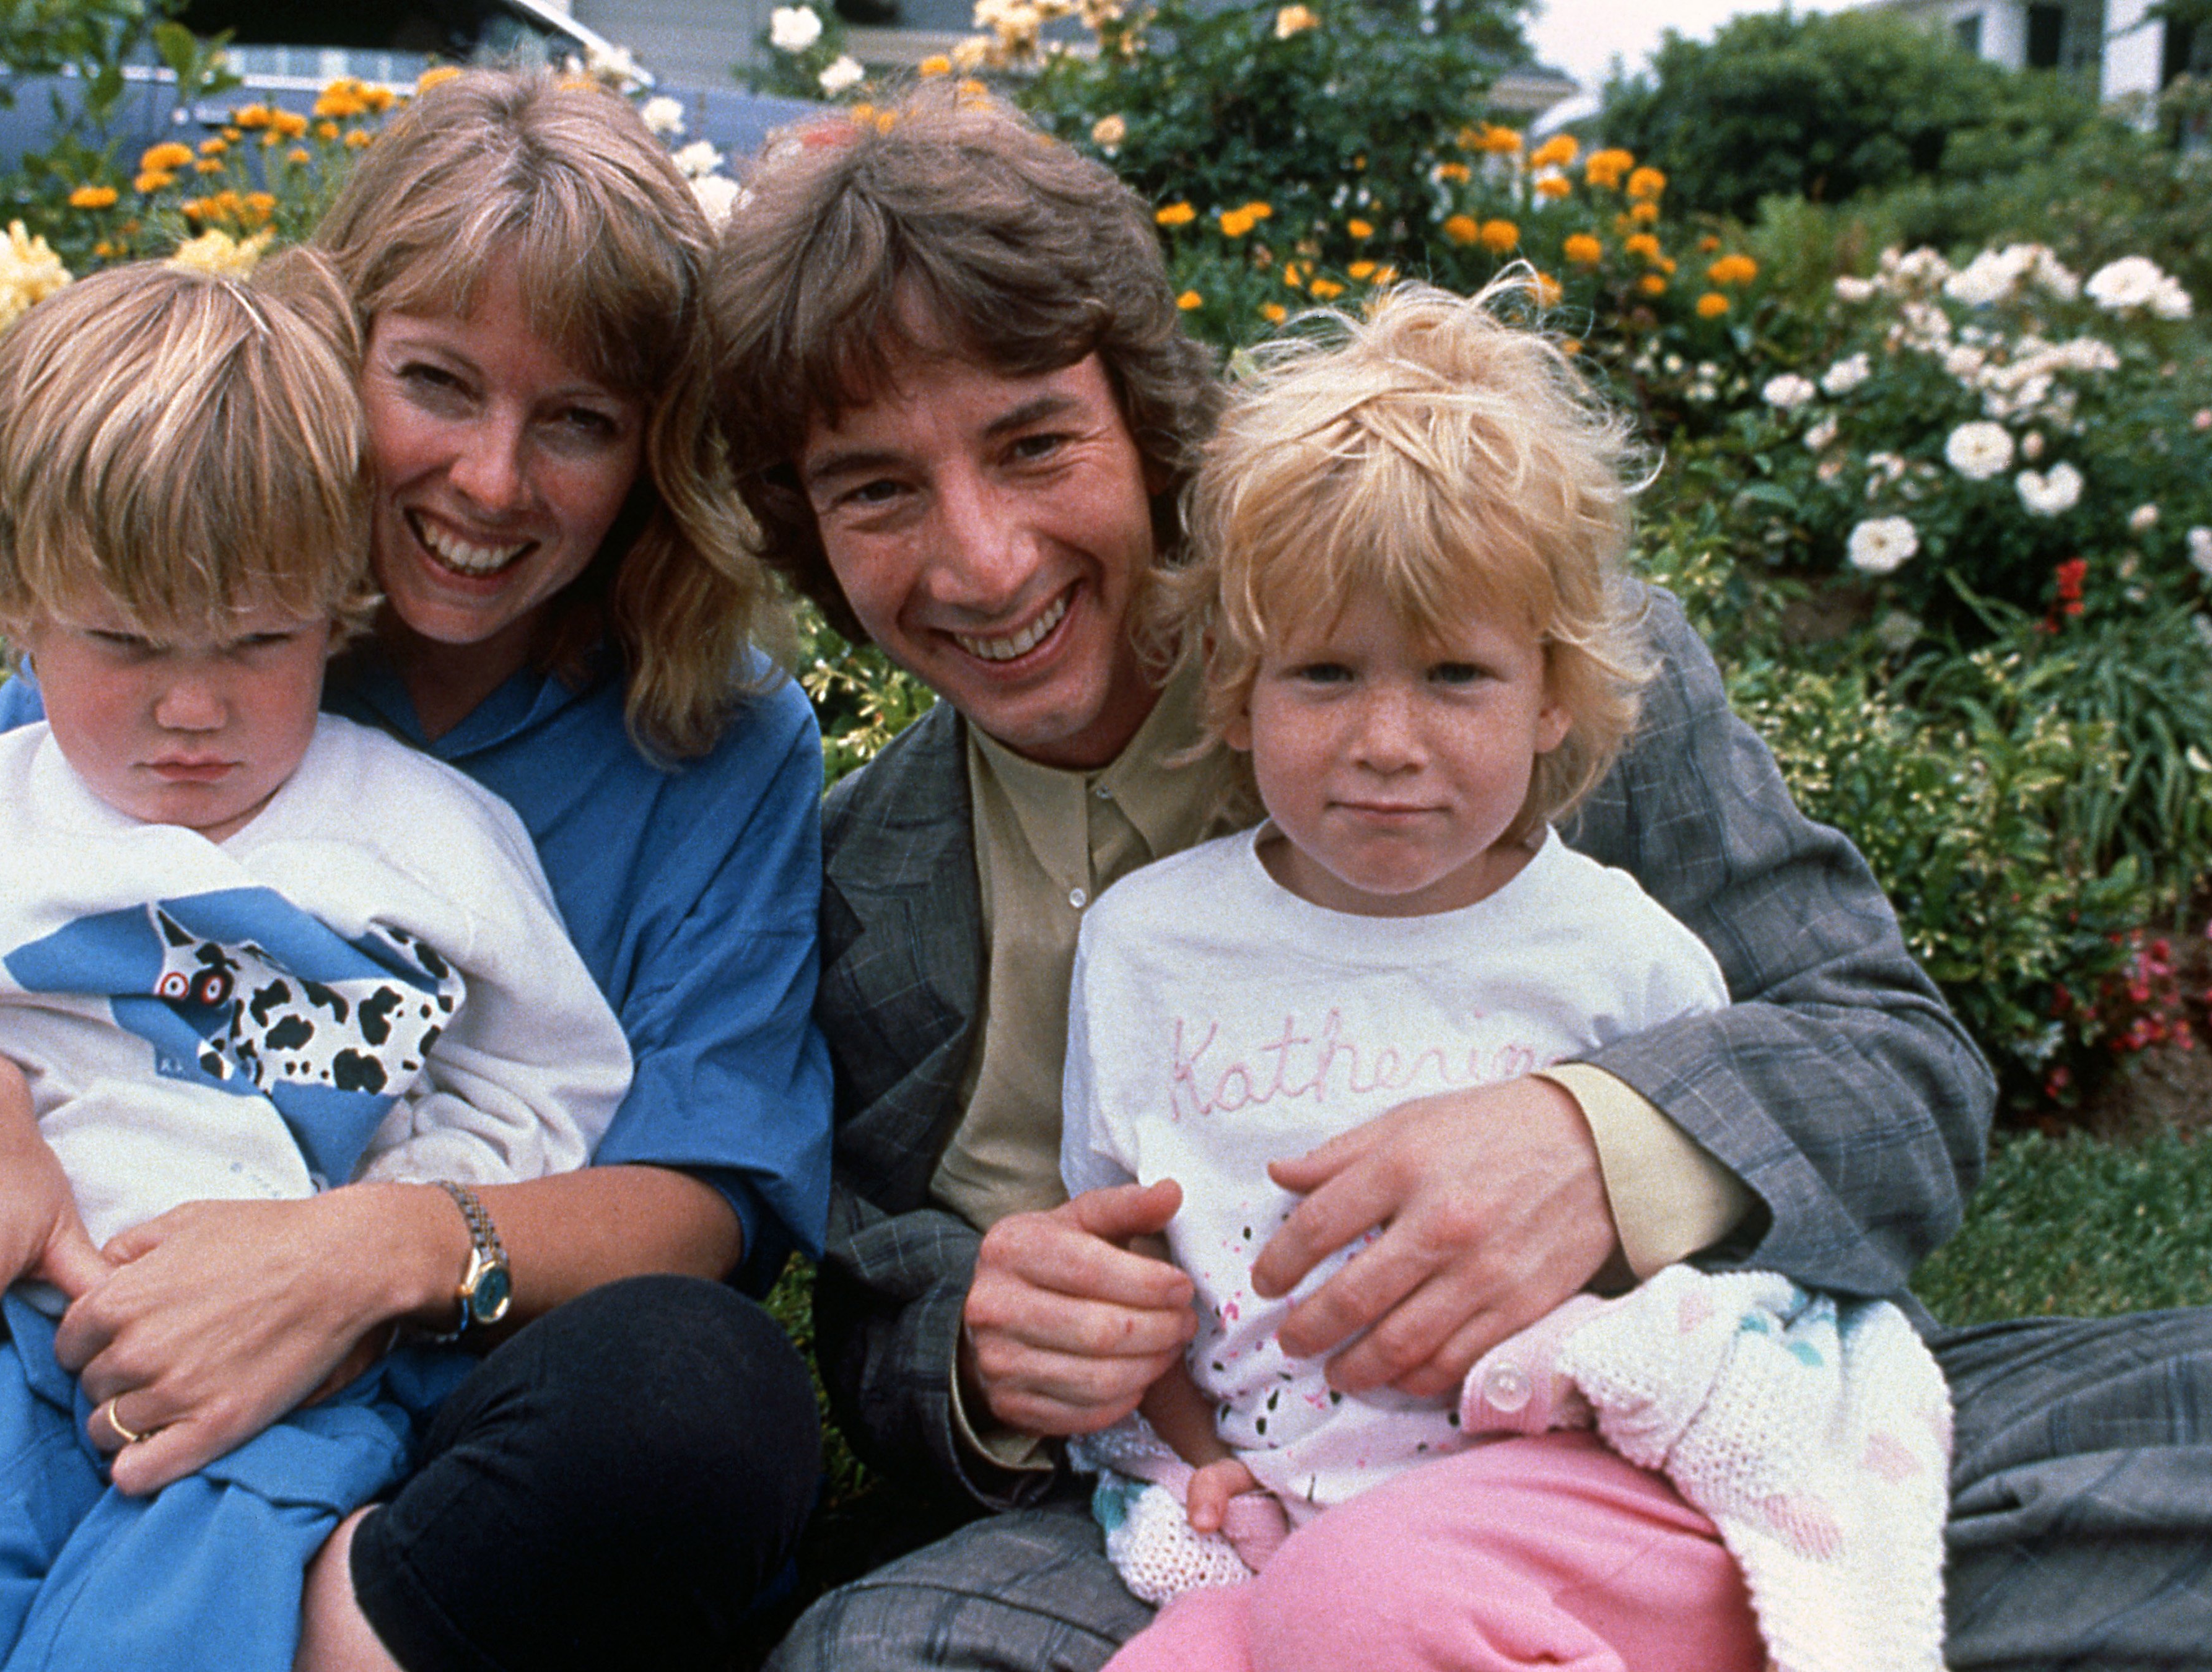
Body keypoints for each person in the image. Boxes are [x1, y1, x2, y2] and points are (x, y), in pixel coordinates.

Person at [705, 85, 2212, 1671]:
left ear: (1147, 428)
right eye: (876, 489)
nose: (988, 560)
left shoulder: (1523, 669)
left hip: (1634, 1464)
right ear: (808, 531)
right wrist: (983, 1352)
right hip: (1216, 1522)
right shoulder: (858, 877)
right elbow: (882, 1308)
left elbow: (1900, 1076)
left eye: (1035, 444)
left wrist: (1596, 1143)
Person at [0, 68, 828, 1672]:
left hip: (383, 1382)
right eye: (437, 384)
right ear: (340, 360)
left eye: (580, 422)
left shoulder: (711, 745)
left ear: (652, 449)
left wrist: (365, 1252)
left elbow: (701, 1193)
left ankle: (314, 1605)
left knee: (693, 1396)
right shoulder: (160, 593)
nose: (488, 479)